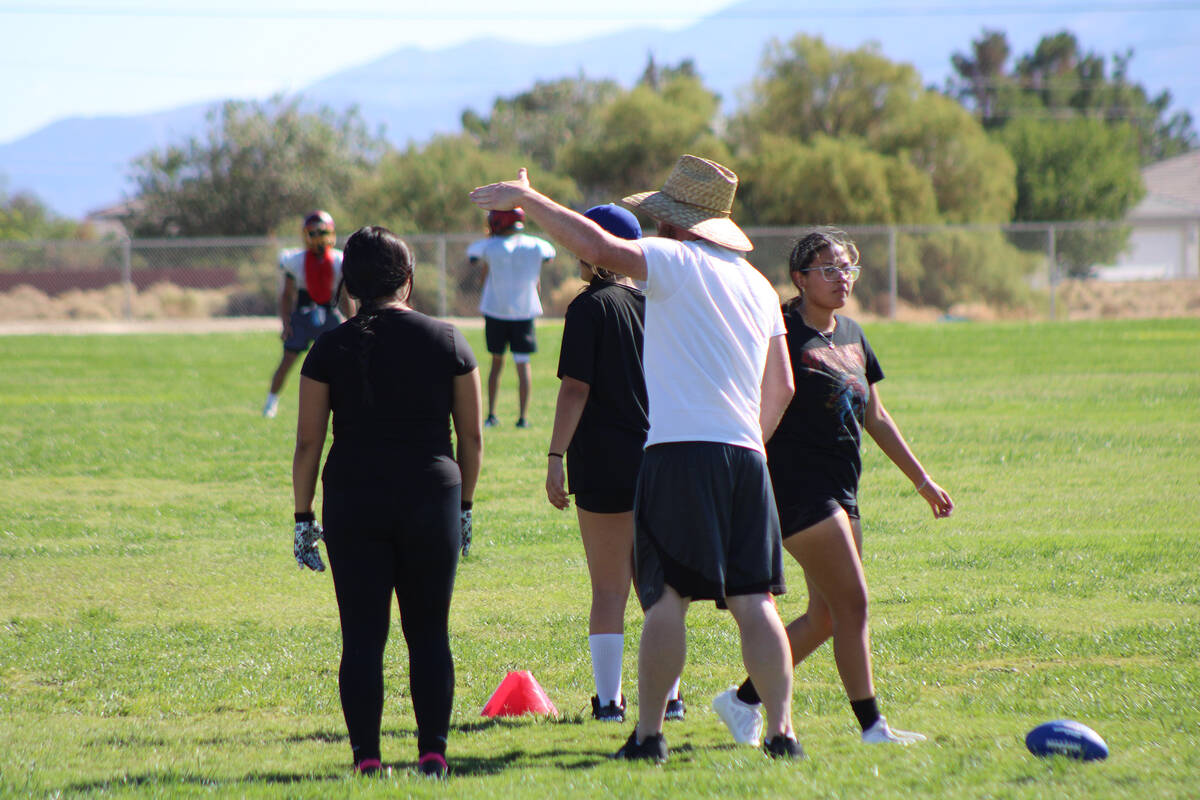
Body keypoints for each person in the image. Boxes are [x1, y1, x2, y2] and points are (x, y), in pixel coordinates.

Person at [471, 154, 802, 762]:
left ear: (677, 225)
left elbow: (598, 244)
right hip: (746, 455)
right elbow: (782, 386)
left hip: (678, 453)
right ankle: (782, 734)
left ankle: (648, 735)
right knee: (755, 601)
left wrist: (530, 199)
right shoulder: (758, 285)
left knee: (666, 598)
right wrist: (750, 438)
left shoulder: (674, 263)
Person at [712, 228, 954, 748]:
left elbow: (876, 416)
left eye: (847, 268)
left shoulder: (852, 335)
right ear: (799, 278)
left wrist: (922, 479)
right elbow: (750, 404)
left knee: (826, 615)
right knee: (855, 604)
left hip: (843, 489)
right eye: (828, 268)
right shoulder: (778, 334)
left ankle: (742, 701)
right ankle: (872, 728)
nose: (841, 278)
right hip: (795, 488)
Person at [291, 225, 483, 779]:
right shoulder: (448, 340)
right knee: (429, 631)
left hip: (353, 497)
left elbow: (309, 441)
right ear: (409, 279)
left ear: (348, 284)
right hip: (431, 493)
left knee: (362, 636)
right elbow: (471, 438)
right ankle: (433, 753)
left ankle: (368, 759)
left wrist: (303, 516)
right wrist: (465, 505)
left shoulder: (329, 346)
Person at [545, 203, 683, 724]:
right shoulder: (655, 303)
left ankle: (608, 702)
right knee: (657, 588)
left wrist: (555, 454)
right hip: (659, 455)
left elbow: (575, 390)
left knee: (607, 589)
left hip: (604, 459)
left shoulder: (589, 307)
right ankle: (670, 699)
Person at [467, 207, 556, 428]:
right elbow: (549, 255)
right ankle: (522, 417)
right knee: (522, 364)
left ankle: (491, 415)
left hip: (496, 311)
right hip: (524, 312)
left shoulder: (488, 246)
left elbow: (473, 255)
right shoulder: (536, 244)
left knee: (496, 363)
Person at [263, 210, 355, 418]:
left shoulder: (339, 260)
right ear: (305, 234)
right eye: (313, 232)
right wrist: (286, 322)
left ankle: (348, 404)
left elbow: (345, 296)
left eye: (322, 232)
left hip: (329, 312)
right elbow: (286, 295)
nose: (318, 237)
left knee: (343, 363)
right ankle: (271, 401)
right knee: (288, 359)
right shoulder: (294, 260)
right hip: (303, 314)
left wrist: (352, 323)